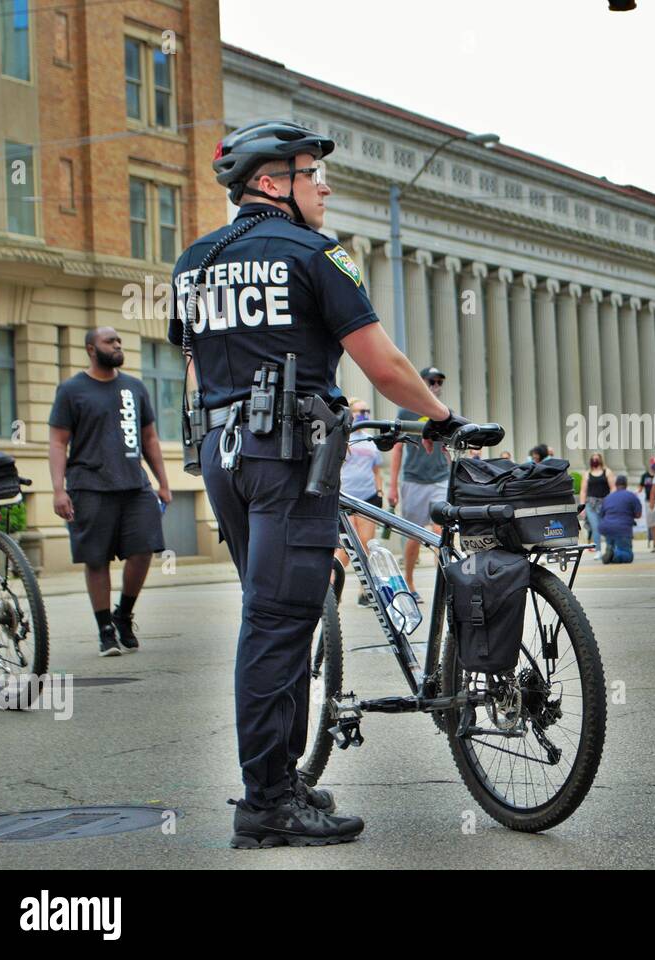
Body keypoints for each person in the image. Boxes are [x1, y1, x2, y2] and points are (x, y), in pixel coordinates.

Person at [174, 119, 465, 846]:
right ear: (273, 183)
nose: (324, 185)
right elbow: (383, 364)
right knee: (277, 622)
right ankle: (267, 803)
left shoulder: (194, 261)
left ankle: (282, 780)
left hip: (222, 452)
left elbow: (194, 367)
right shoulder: (315, 253)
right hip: (289, 456)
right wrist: (443, 419)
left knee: (275, 613)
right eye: (312, 173)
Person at [48, 327, 170, 657]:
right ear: (91, 348)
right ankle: (105, 629)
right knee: (96, 558)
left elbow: (150, 440)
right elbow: (58, 442)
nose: (117, 345)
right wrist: (58, 490)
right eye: (109, 342)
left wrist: (163, 483)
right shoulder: (72, 390)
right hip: (89, 485)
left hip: (135, 485)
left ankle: (124, 614)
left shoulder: (134, 387)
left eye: (118, 341)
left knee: (145, 548)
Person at [388, 366, 452, 602]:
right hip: (414, 479)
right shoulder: (406, 412)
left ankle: (444, 586)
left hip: (440, 479)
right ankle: (409, 581)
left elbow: (448, 449)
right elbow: (397, 449)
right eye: (431, 382)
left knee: (440, 532)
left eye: (439, 382)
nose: (436, 386)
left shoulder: (445, 412)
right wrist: (393, 486)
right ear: (421, 383)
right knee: (413, 535)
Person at [336, 398, 384, 607]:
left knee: (366, 543)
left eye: (367, 410)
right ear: (351, 414)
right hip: (345, 496)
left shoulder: (370, 440)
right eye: (360, 411)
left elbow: (376, 470)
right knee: (346, 546)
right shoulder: (341, 437)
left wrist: (380, 490)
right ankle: (331, 589)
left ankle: (365, 591)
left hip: (368, 496)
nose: (364, 414)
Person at [596, 474, 643, 563]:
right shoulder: (631, 496)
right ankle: (614, 554)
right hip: (623, 528)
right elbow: (638, 514)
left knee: (611, 545)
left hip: (606, 527)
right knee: (628, 555)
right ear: (626, 484)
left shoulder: (608, 497)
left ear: (616, 485)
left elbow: (601, 514)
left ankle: (610, 551)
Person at [580, 451, 615, 558]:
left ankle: (610, 548)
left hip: (605, 503)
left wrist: (612, 501)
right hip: (591, 504)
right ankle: (598, 550)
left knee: (607, 527)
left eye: (597, 458)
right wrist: (582, 507)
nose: (595, 460)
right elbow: (583, 491)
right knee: (595, 527)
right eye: (593, 459)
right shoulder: (587, 473)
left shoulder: (607, 472)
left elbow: (613, 488)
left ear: (600, 460)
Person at [640, 455, 655, 551]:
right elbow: (640, 488)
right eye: (653, 464)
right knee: (652, 524)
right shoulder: (645, 476)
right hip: (648, 502)